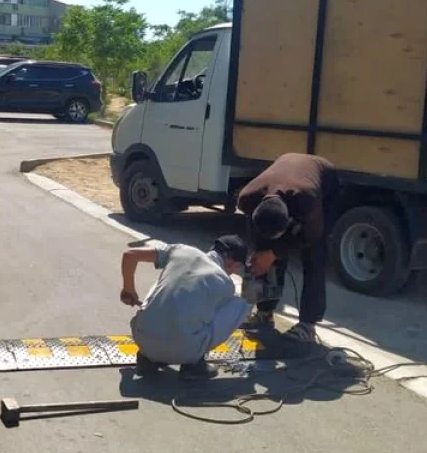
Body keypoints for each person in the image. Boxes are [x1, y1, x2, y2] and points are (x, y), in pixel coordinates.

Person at [236, 153, 340, 344]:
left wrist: (274, 252)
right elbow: (257, 237)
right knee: (265, 253)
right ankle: (264, 313)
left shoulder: (307, 199)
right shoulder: (247, 198)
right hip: (286, 172)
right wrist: (262, 255)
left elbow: (311, 236)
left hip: (325, 184)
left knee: (314, 256)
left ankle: (307, 325)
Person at [119, 236, 251, 380]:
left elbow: (130, 255)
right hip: (187, 352)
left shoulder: (180, 250)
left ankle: (148, 360)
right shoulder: (225, 283)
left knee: (169, 281)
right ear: (231, 263)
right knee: (239, 305)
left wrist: (128, 290)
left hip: (143, 340)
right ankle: (194, 366)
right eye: (239, 267)